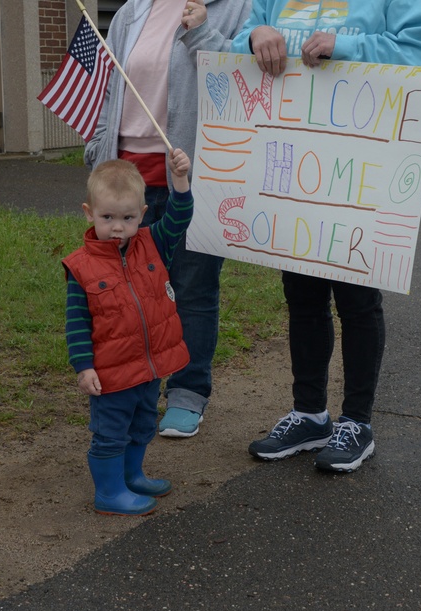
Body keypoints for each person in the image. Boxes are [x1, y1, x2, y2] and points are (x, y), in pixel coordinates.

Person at [221, 0, 421, 472]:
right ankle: (310, 413)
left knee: (357, 299)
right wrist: (255, 35)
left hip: (364, 164)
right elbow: (235, 41)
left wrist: (344, 45)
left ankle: (356, 423)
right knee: (301, 295)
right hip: (294, 161)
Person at [85, 0, 251, 439]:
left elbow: (246, 80)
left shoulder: (237, 7)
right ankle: (137, 387)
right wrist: (100, 145)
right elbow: (110, 85)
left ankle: (186, 394)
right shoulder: (133, 10)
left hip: (194, 174)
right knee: (130, 293)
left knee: (192, 289)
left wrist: (202, 34)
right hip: (125, 184)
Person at [64, 150, 193, 515]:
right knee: (110, 434)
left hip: (148, 368)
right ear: (89, 213)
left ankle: (131, 475)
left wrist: (179, 180)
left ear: (142, 214)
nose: (117, 227)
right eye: (107, 217)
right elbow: (76, 322)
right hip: (111, 375)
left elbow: (180, 217)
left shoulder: (153, 243)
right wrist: (83, 366)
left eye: (127, 217)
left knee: (142, 424)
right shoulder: (81, 267)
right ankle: (109, 492)